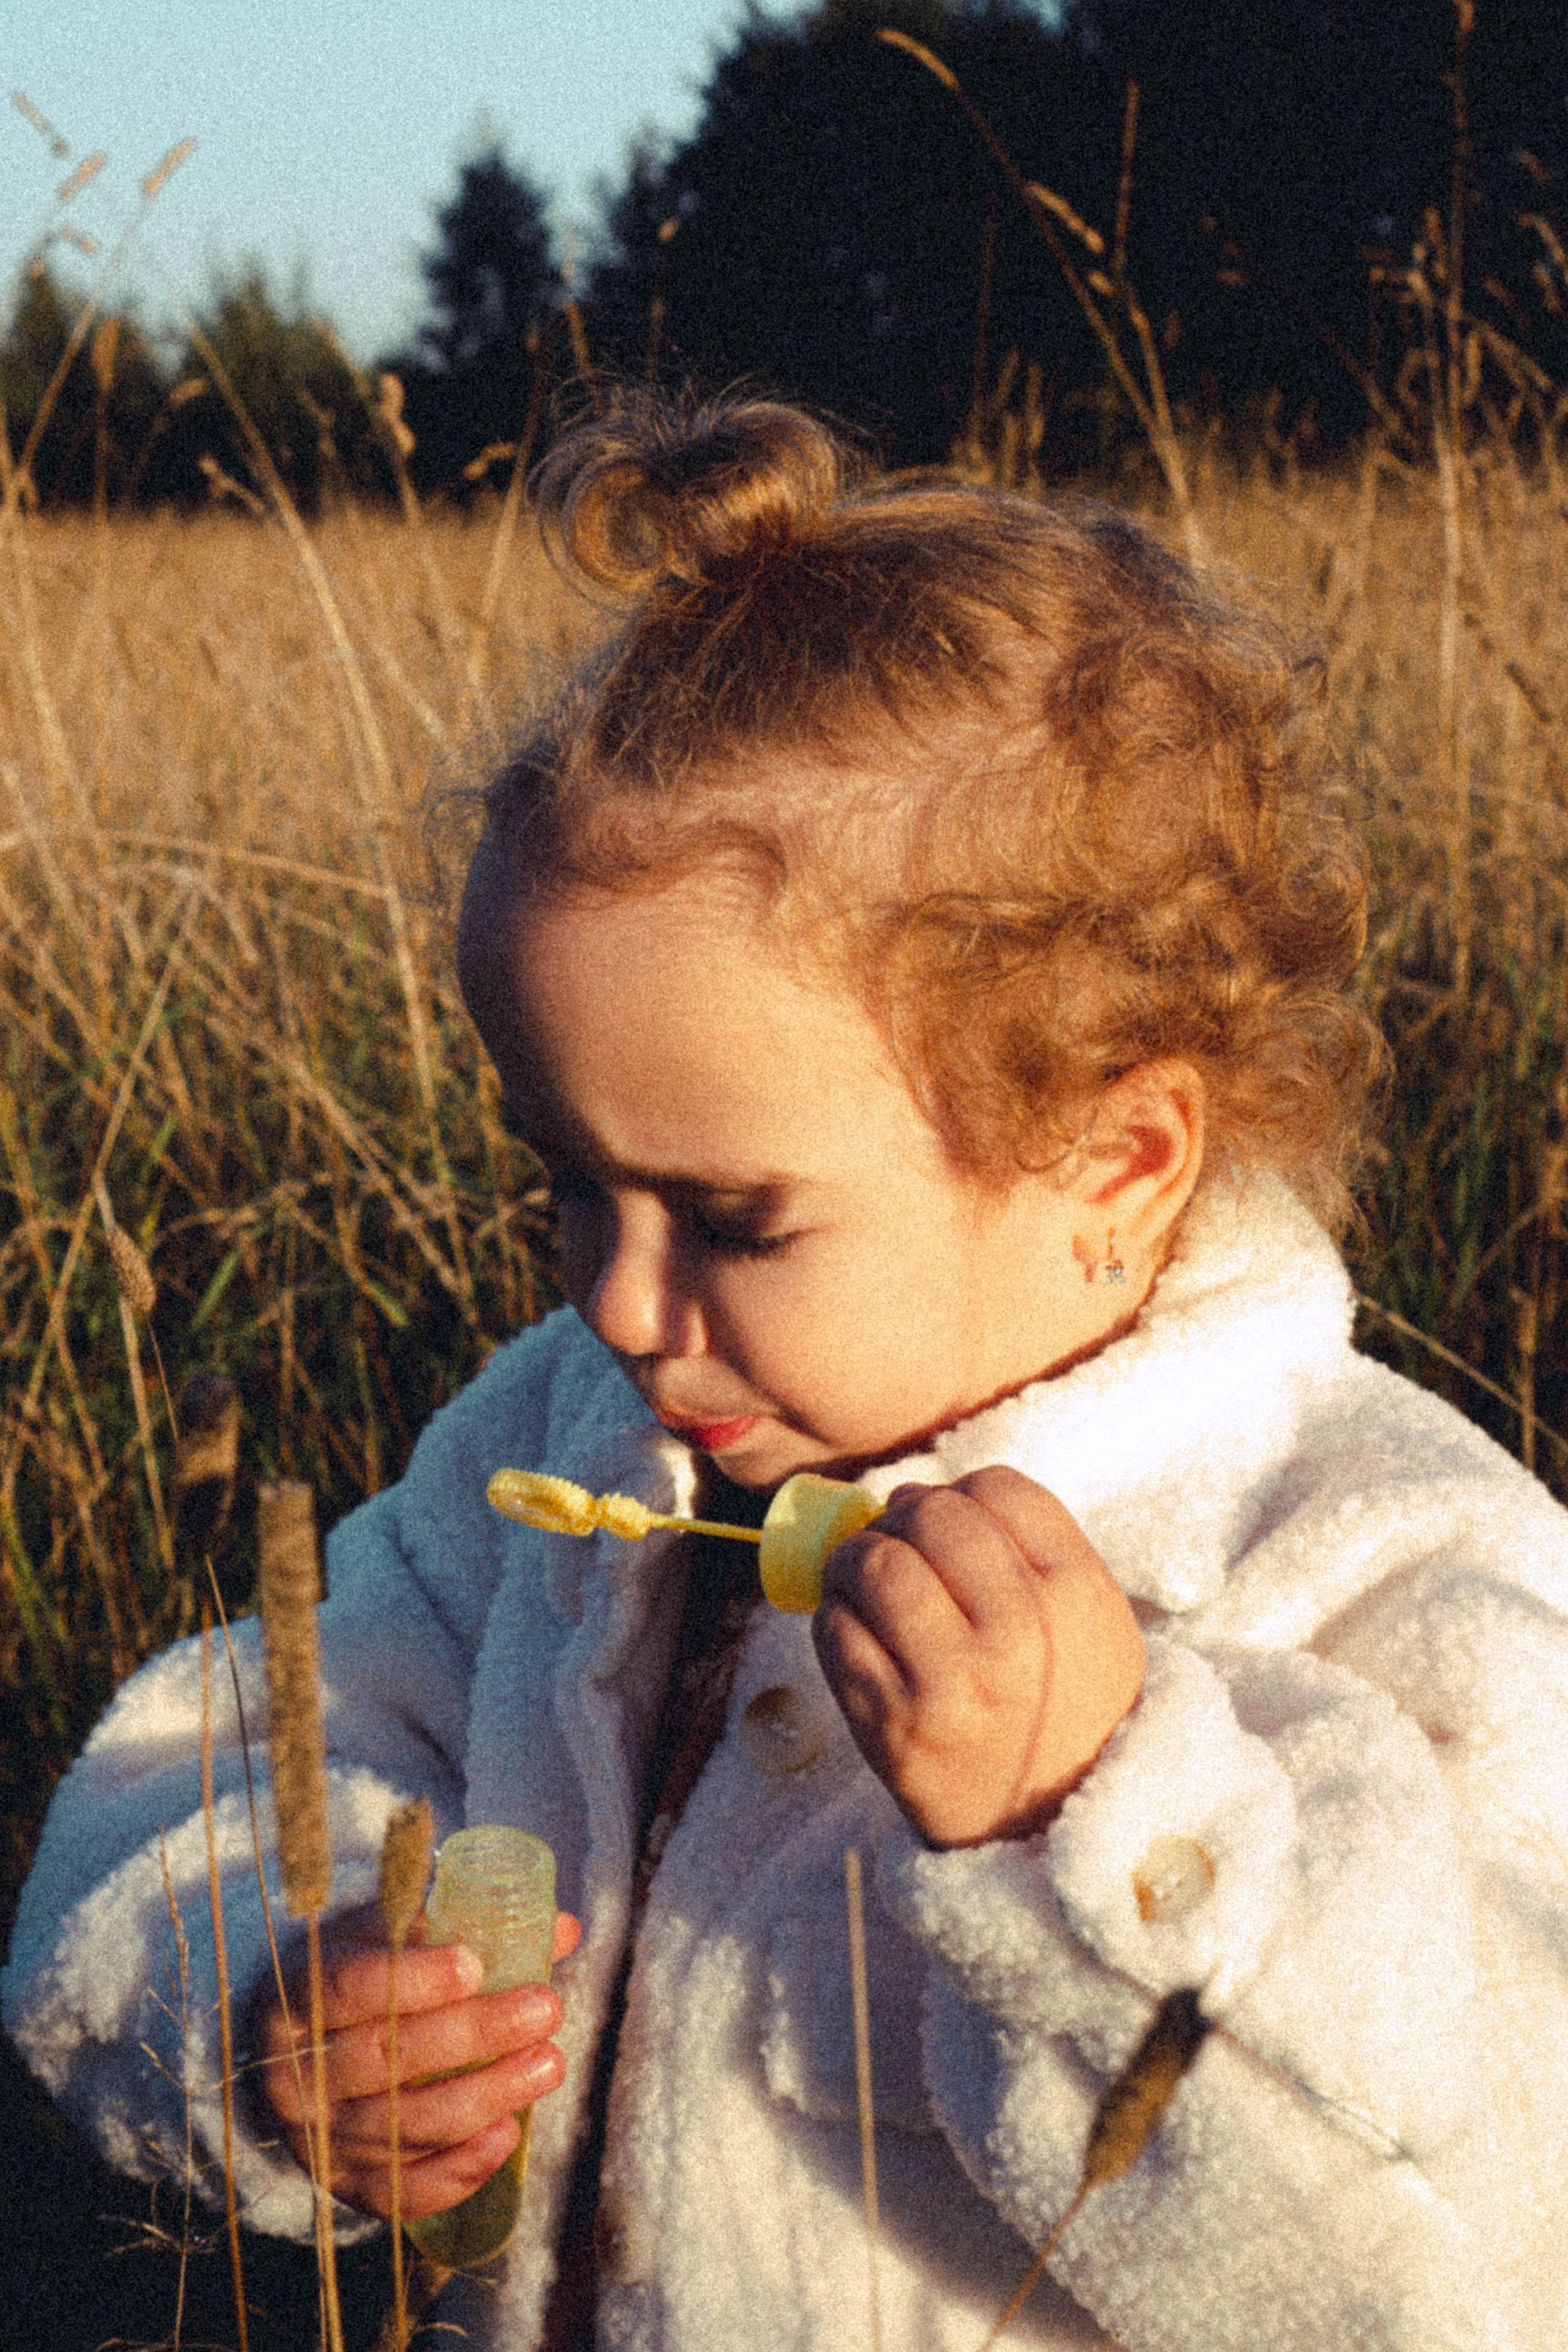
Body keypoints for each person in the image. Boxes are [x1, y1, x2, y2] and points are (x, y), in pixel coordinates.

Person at [7, 398, 1568, 2352]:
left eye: (735, 1220)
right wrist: (267, 2006)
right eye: (574, 1186)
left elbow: (1484, 2264)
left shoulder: (1384, 1568)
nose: (626, 1307)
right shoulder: (560, 1449)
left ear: (1119, 1162)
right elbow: (208, 1764)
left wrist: (1094, 1820)